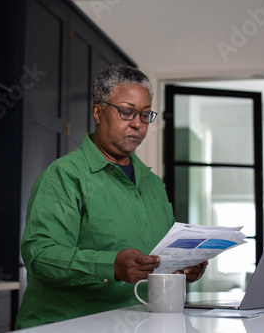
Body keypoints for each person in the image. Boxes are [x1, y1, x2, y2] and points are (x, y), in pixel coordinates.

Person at [15, 65, 207, 329]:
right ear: (97, 112)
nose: (137, 123)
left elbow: (158, 259)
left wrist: (185, 268)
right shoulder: (64, 175)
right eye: (127, 112)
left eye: (145, 114)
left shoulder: (153, 185)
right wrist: (111, 266)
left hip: (137, 325)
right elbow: (39, 255)